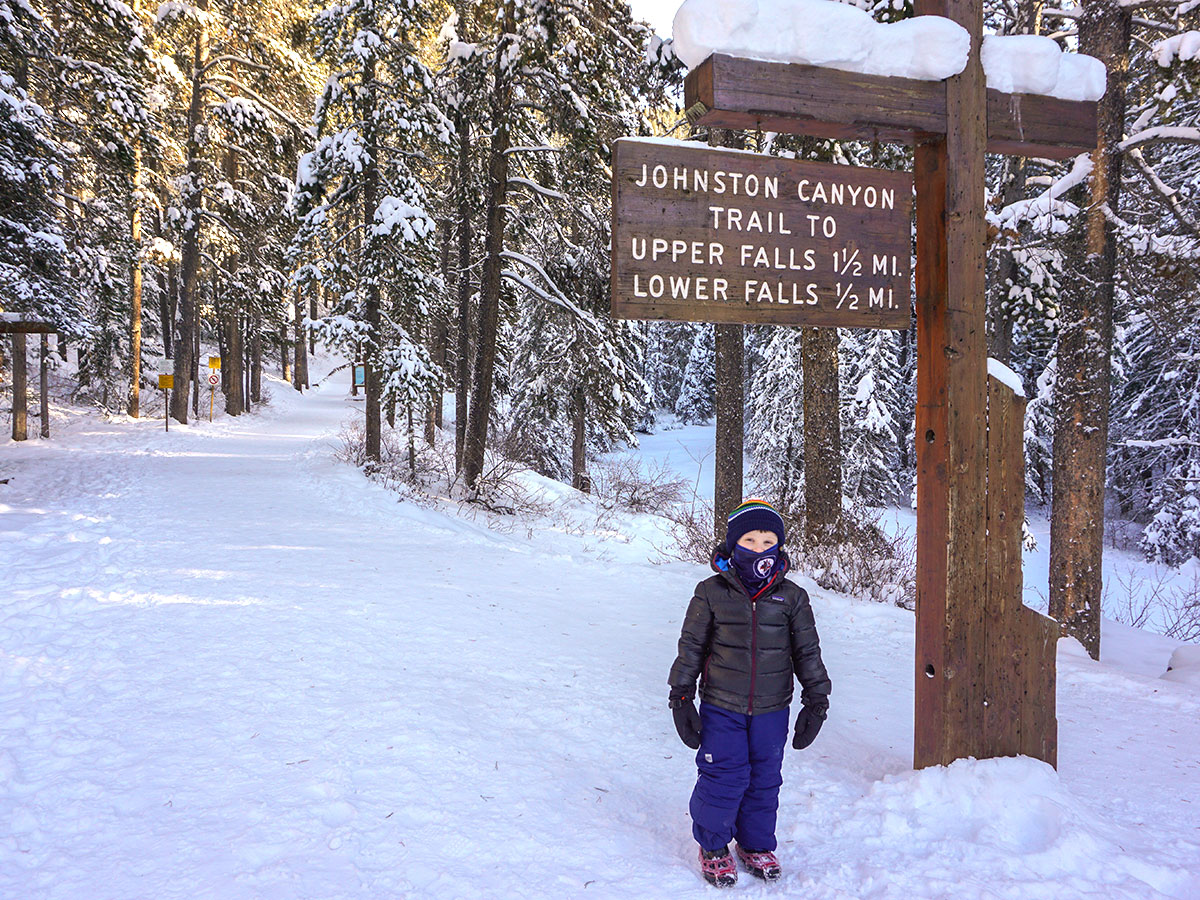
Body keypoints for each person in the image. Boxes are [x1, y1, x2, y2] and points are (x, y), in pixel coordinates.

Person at [668, 499, 831, 887]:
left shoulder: (791, 597)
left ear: (779, 545)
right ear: (733, 543)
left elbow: (807, 651)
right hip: (722, 704)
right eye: (750, 539)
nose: (759, 549)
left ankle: (756, 844)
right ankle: (713, 845)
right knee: (724, 774)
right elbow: (691, 645)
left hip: (773, 708)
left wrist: (817, 699)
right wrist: (681, 694)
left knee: (764, 777)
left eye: (768, 540)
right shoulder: (711, 592)